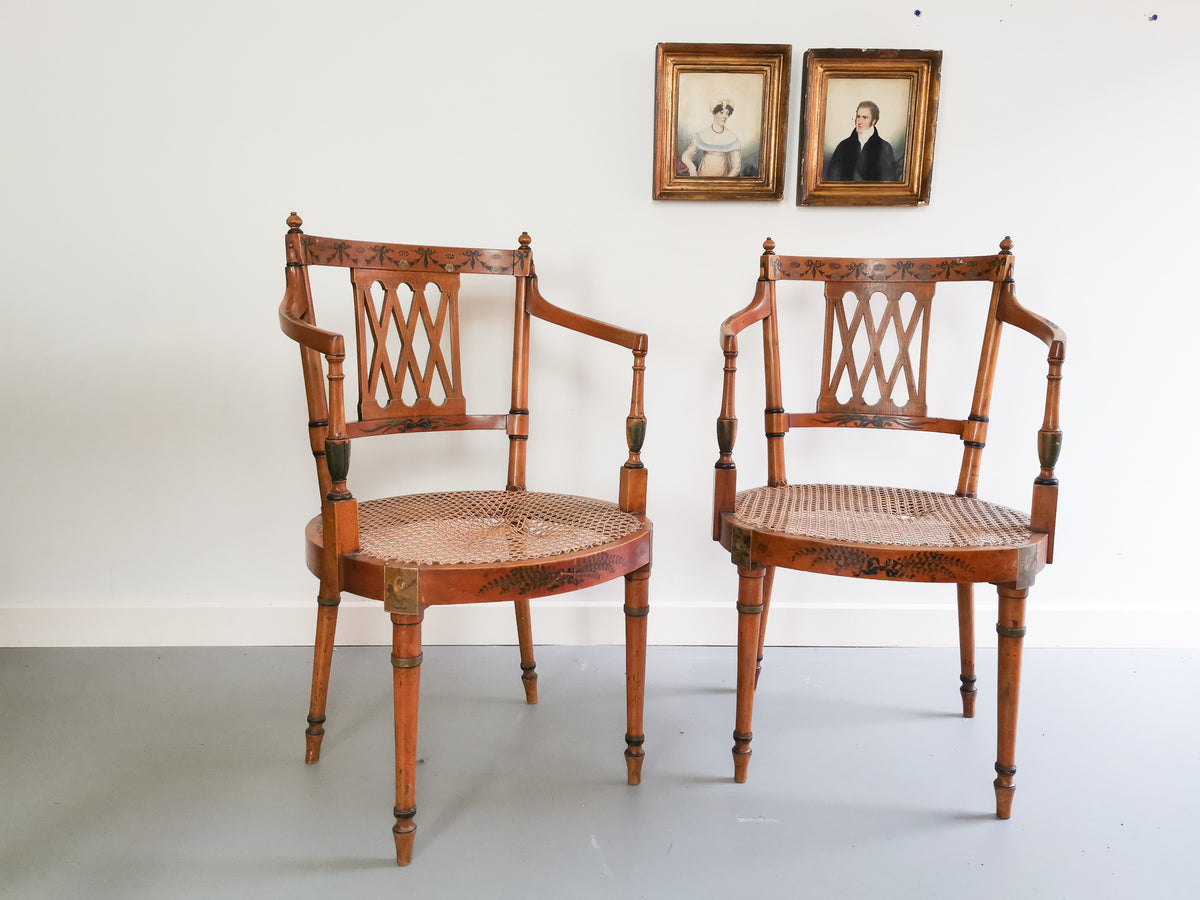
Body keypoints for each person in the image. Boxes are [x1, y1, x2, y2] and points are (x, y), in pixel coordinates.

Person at [824, 100, 901, 182]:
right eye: (858, 116)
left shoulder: (884, 147)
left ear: (874, 121)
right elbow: (832, 176)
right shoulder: (844, 146)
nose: (859, 122)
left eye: (865, 118)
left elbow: (889, 179)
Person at [680, 99, 743, 177]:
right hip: (703, 177)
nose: (725, 116)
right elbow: (685, 156)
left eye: (727, 113)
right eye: (721, 112)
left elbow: (736, 167)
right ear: (714, 112)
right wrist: (692, 169)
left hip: (723, 179)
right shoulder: (702, 134)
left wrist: (726, 181)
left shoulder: (732, 138)